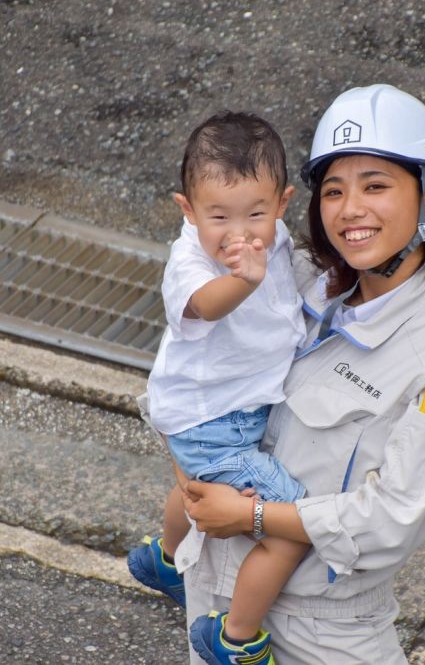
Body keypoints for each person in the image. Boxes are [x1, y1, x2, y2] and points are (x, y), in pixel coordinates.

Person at [177, 83, 425, 663]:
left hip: (326, 635)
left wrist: (252, 515)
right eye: (333, 190)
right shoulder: (291, 280)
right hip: (214, 602)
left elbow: (393, 520)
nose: (349, 209)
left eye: (376, 186)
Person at [126, 111, 310, 664]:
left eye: (256, 213)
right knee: (293, 527)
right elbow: (205, 306)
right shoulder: (191, 261)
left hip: (211, 413)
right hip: (211, 425)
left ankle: (165, 558)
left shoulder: (272, 236)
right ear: (188, 210)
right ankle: (233, 640)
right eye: (218, 217)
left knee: (194, 486)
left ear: (282, 203)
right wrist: (242, 280)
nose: (240, 233)